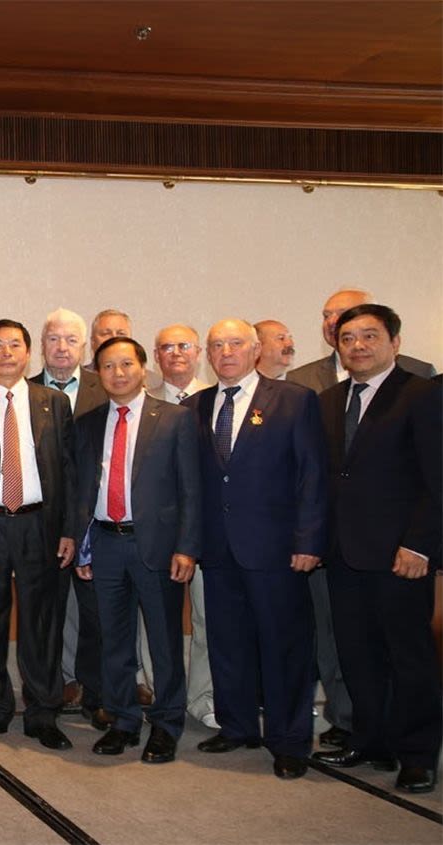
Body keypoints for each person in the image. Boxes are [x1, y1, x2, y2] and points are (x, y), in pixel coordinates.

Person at [286, 287, 434, 751]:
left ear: (395, 342)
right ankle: (371, 742)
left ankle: (418, 752)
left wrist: (420, 544)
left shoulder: (422, 394)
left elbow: (437, 480)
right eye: (348, 338)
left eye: (370, 336)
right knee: (358, 655)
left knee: (408, 656)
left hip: (400, 554)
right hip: (343, 554)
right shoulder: (328, 400)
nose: (358, 346)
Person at [190, 319, 326, 780]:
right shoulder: (195, 406)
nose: (226, 352)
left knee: (283, 646)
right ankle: (237, 725)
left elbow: (311, 475)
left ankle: (289, 740)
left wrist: (309, 540)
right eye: (217, 345)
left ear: (255, 351)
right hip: (217, 549)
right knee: (227, 643)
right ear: (208, 355)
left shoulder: (294, 400)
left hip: (277, 549)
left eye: (235, 343)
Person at [75, 337, 200, 764]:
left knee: (164, 642)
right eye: (108, 366)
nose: (118, 373)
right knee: (114, 640)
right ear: (99, 374)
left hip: (158, 547)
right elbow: (82, 489)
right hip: (105, 542)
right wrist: (82, 545)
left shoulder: (175, 419)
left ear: (143, 368)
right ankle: (124, 719)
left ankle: (166, 724)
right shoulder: (89, 423)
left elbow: (191, 489)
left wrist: (187, 547)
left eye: (126, 364)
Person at [0, 319, 77, 750]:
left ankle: (43, 712)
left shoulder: (54, 402)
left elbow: (69, 471)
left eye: (14, 345)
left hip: (38, 524)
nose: (6, 352)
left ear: (28, 354)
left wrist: (69, 530)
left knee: (41, 622)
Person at [29, 308, 107, 727]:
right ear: (42, 345)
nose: (62, 347)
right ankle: (47, 695)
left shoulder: (105, 387)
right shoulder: (21, 391)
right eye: (53, 339)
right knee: (46, 617)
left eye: (71, 340)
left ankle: (97, 695)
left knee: (96, 617)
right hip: (42, 527)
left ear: (85, 346)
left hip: (95, 524)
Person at [148, 323, 215, 728]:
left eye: (184, 346)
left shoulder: (216, 398)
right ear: (156, 356)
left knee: (207, 618)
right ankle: (157, 693)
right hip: (154, 532)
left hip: (205, 530)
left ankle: (204, 698)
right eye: (166, 347)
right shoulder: (140, 399)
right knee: (153, 622)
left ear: (198, 353)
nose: (175, 353)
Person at [287, 288, 436, 393]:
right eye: (326, 316)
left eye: (344, 314)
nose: (332, 322)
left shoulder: (419, 372)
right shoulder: (300, 379)